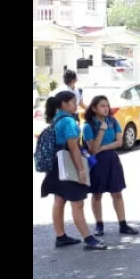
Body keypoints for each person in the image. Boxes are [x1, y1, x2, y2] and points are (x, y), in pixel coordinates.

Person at [40, 91, 107, 250]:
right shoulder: (69, 122)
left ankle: (61, 236)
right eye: (72, 102)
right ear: (64, 103)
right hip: (69, 165)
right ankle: (88, 239)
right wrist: (81, 170)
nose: (75, 105)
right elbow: (73, 148)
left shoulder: (57, 119)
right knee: (77, 203)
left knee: (59, 200)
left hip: (57, 165)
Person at [83, 95, 139, 237]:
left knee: (117, 193)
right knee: (97, 194)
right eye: (102, 106)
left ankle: (123, 224)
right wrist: (101, 131)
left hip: (112, 159)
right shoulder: (88, 126)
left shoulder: (113, 121)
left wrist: (104, 147)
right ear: (94, 108)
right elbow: (93, 149)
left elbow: (120, 142)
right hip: (97, 163)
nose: (106, 108)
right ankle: (99, 225)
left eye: (107, 105)